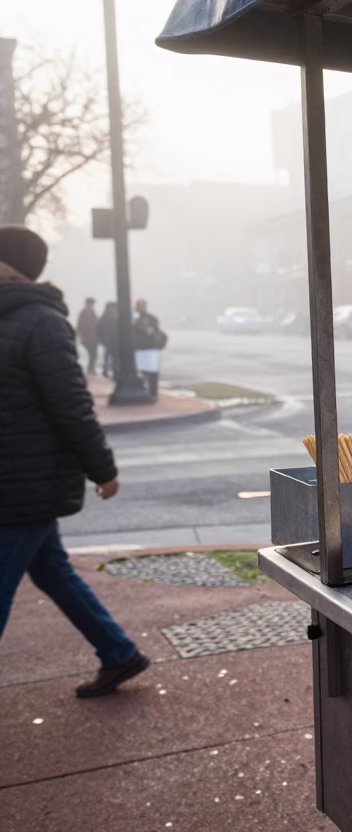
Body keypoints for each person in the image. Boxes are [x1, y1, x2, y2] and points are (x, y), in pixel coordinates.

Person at [0, 225, 148, 698]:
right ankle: (118, 652)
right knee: (50, 570)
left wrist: (101, 468)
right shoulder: (22, 317)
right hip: (20, 478)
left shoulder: (41, 320)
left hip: (24, 482)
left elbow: (71, 404)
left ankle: (119, 652)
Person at [133, 298, 165, 397]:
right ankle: (147, 390)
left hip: (148, 348)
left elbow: (154, 332)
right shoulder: (134, 318)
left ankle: (152, 391)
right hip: (141, 348)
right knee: (142, 371)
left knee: (151, 372)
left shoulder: (150, 319)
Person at [76, 298, 99, 374]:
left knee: (94, 354)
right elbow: (79, 325)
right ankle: (90, 368)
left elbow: (97, 325)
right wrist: (81, 335)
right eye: (89, 304)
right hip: (86, 337)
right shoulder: (83, 313)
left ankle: (91, 368)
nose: (90, 306)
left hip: (94, 338)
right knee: (90, 353)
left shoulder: (93, 313)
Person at [98, 301, 119, 378]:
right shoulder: (105, 318)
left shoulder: (115, 318)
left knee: (113, 357)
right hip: (108, 340)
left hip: (114, 340)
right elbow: (100, 329)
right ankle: (107, 371)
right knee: (109, 356)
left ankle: (113, 371)